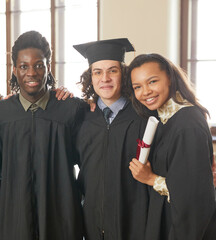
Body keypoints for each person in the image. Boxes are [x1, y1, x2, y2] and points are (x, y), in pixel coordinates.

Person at [0, 30, 86, 240]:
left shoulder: (71, 109)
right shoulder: (0, 113)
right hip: (15, 219)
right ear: (15, 69)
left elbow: (87, 161)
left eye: (39, 65)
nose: (32, 73)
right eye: (24, 66)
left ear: (48, 67)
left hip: (61, 216)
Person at [128, 53, 216, 239]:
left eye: (152, 81)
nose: (145, 92)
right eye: (137, 87)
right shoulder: (164, 119)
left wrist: (150, 178)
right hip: (165, 220)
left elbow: (193, 195)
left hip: (181, 229)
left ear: (170, 78)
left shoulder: (187, 125)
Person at [73, 38, 150, 240]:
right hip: (91, 224)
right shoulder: (81, 118)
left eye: (112, 71)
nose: (104, 78)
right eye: (97, 72)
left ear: (123, 74)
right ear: (90, 77)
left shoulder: (143, 117)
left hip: (134, 224)